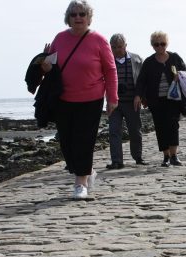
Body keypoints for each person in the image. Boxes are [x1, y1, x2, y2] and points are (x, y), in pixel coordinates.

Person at [41, 0, 118, 200]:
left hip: (91, 99)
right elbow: (51, 67)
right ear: (68, 18)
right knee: (66, 143)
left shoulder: (99, 40)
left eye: (82, 14)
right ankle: (87, 171)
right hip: (63, 99)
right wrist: (45, 66)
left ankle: (80, 183)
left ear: (88, 17)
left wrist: (112, 98)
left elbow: (110, 70)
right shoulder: (59, 38)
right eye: (74, 14)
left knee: (84, 141)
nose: (78, 18)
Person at [135, 31, 186, 167]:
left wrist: (180, 75)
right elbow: (142, 81)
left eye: (162, 44)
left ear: (167, 44)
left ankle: (174, 156)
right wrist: (138, 96)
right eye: (156, 44)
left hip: (174, 99)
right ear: (152, 45)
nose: (159, 47)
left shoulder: (175, 58)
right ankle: (165, 156)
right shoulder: (148, 62)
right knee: (160, 127)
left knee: (173, 126)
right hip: (156, 100)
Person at [106, 33, 147, 170]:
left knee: (135, 131)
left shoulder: (137, 59)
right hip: (114, 102)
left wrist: (140, 96)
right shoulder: (107, 61)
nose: (117, 50)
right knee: (114, 131)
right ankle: (117, 161)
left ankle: (138, 157)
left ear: (125, 46)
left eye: (120, 47)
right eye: (114, 47)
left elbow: (142, 81)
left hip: (132, 102)